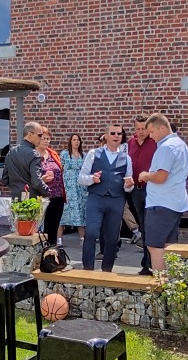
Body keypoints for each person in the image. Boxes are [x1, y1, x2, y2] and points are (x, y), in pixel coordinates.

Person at [138, 113, 188, 273]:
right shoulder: (181, 144)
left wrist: (145, 175)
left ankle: (160, 285)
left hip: (161, 203)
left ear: (162, 127)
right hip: (175, 202)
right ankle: (170, 286)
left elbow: (161, 176)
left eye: (152, 132)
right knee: (169, 246)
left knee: (154, 246)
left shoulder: (166, 147)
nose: (151, 136)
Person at [79, 124, 134, 272]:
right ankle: (88, 267)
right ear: (106, 136)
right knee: (91, 232)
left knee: (112, 238)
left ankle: (107, 270)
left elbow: (128, 185)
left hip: (116, 200)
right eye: (113, 133)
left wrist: (129, 185)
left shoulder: (127, 158)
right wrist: (92, 179)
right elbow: (81, 177)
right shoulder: (93, 154)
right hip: (96, 198)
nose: (116, 136)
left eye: (119, 133)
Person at [128, 114, 157, 267]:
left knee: (149, 225)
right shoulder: (130, 143)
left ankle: (150, 262)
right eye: (138, 129)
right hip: (135, 191)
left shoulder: (154, 142)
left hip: (151, 189)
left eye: (143, 129)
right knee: (142, 225)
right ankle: (146, 261)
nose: (141, 132)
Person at [2, 121, 51, 200]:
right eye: (40, 135)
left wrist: (17, 189)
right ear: (30, 135)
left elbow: (5, 180)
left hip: (16, 199)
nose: (41, 138)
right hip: (32, 201)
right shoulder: (34, 154)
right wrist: (48, 192)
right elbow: (36, 182)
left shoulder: (11, 152)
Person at [35, 126, 65, 245]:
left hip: (57, 196)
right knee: (41, 229)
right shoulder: (33, 155)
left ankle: (51, 256)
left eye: (48, 138)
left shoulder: (53, 154)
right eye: (44, 138)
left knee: (53, 228)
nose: (47, 141)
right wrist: (42, 179)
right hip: (42, 197)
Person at [58, 133, 87, 247]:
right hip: (68, 186)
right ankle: (59, 239)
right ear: (70, 142)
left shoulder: (83, 155)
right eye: (74, 140)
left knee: (80, 213)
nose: (76, 142)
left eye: (78, 140)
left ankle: (82, 238)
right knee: (64, 213)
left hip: (80, 187)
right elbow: (60, 169)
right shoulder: (65, 154)